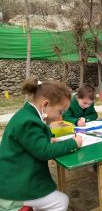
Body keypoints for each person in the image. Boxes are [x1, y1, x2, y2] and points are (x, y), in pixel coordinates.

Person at [0, 78, 83, 211]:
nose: (60, 117)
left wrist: (47, 140)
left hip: (13, 177)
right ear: (45, 105)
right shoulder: (29, 122)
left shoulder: (26, 115)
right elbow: (44, 152)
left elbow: (32, 142)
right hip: (13, 188)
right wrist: (73, 142)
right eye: (60, 112)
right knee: (61, 201)